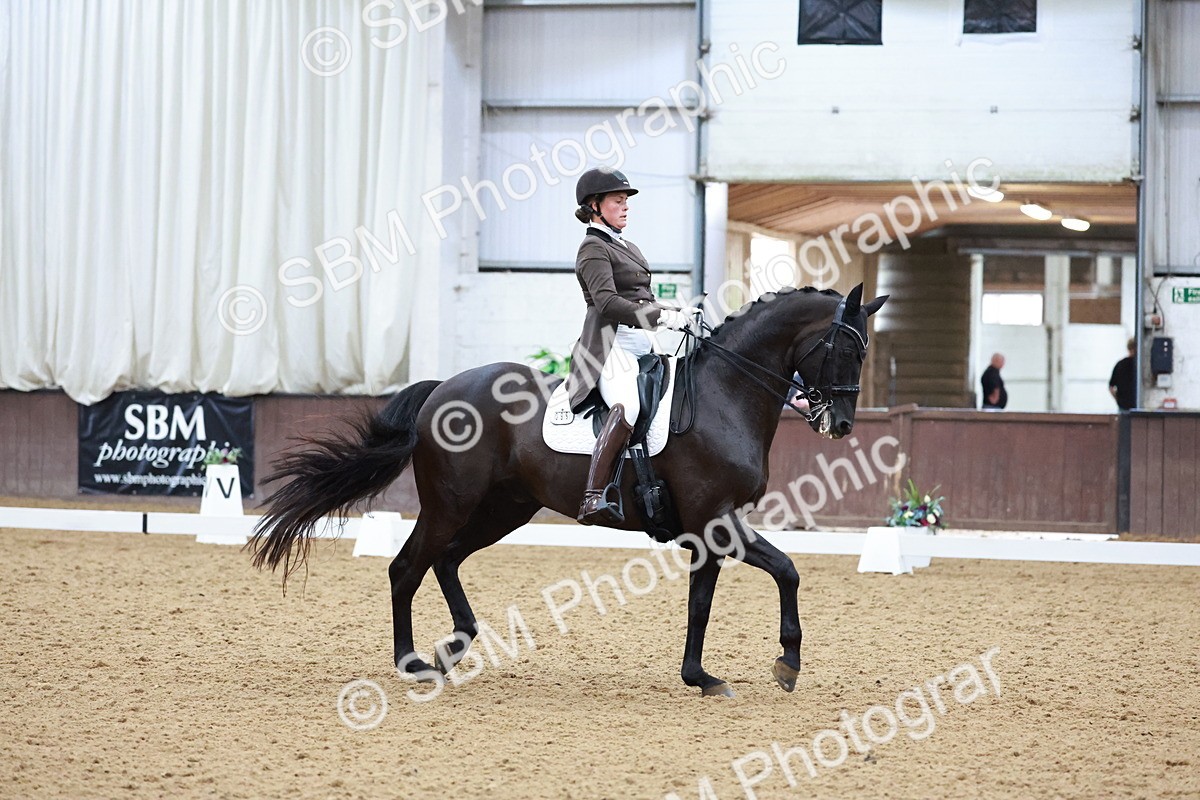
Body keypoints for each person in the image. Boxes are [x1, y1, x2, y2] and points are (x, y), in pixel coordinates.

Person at [563, 167, 696, 525]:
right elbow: (607, 303)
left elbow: (642, 298)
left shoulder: (626, 246)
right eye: (617, 201)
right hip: (609, 345)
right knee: (629, 406)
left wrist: (676, 312)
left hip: (641, 342)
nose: (625, 207)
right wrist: (661, 318)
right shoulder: (592, 248)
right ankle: (592, 497)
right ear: (595, 205)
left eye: (626, 201)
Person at [1109, 338, 1137, 411]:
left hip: (1123, 406)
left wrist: (1118, 400)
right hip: (1137, 404)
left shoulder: (1120, 365)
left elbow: (1111, 387)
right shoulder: (1139, 366)